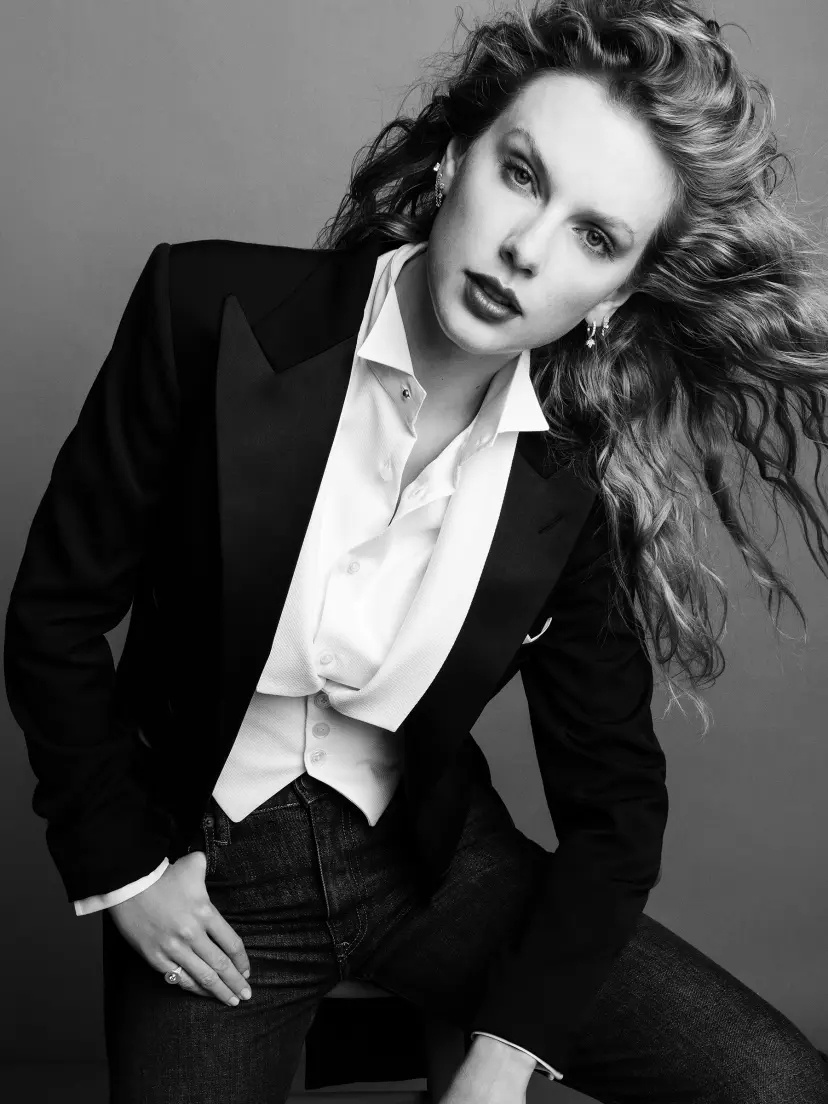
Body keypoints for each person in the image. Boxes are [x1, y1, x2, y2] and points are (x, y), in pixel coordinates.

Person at [5, 0, 828, 1101]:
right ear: (454, 158)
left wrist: (508, 1051)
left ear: (617, 292)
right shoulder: (210, 310)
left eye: (595, 237)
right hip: (207, 874)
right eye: (522, 175)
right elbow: (53, 618)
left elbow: (617, 809)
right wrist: (125, 871)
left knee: (776, 1084)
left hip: (431, 867)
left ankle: (435, 1037)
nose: (526, 249)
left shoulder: (571, 478)